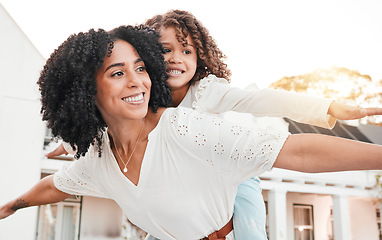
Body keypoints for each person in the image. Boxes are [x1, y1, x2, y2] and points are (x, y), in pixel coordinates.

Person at [1, 26, 382, 240]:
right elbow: (58, 186)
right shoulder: (99, 158)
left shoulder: (186, 125)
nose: (137, 82)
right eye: (118, 73)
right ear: (86, 90)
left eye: (140, 67)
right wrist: (12, 205)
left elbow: (294, 151)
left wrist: (331, 111)